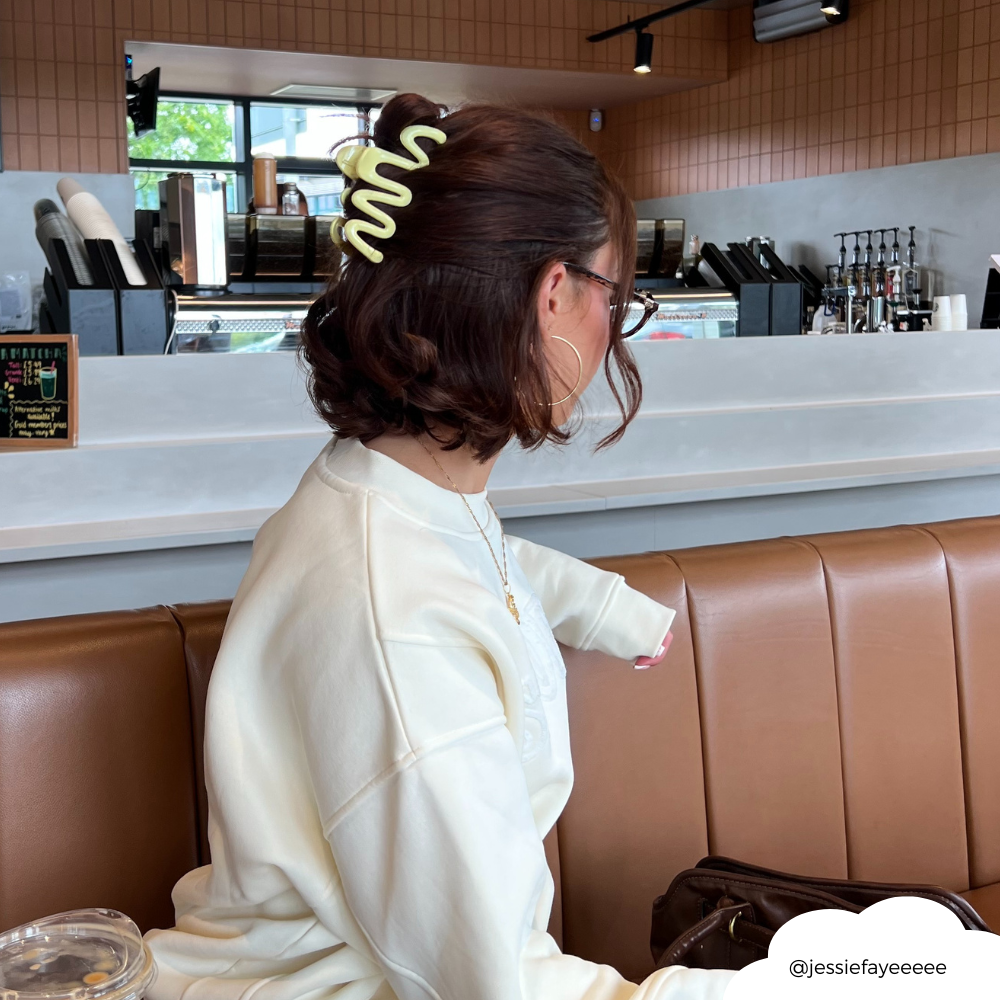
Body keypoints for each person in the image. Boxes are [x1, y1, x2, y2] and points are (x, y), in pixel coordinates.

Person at [144, 94, 734, 1000]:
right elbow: (500, 983)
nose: (615, 328)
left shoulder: (381, 488)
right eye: (617, 297)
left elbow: (482, 557)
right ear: (552, 293)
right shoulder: (395, 616)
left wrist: (605, 610)